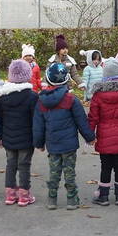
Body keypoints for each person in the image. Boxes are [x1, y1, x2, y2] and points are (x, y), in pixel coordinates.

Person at [33, 62, 96, 210]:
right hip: (69, 145)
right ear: (66, 79)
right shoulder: (71, 100)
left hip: (52, 144)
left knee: (54, 172)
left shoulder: (41, 101)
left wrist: (39, 143)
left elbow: (38, 125)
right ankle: (72, 200)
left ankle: (52, 199)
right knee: (69, 172)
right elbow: (81, 120)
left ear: (47, 80)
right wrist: (90, 137)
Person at [88, 58, 118, 206]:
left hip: (104, 136)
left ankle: (103, 196)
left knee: (105, 165)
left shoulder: (98, 95)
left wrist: (89, 135)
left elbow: (93, 117)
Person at [0, 59, 39, 207]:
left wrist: (0, 136)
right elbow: (36, 120)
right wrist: (39, 139)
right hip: (26, 138)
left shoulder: (3, 97)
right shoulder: (32, 97)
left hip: (8, 137)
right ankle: (24, 195)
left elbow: (0, 118)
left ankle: (10, 194)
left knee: (11, 164)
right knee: (24, 165)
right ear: (27, 76)